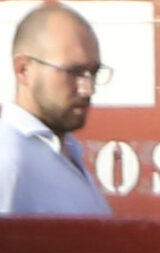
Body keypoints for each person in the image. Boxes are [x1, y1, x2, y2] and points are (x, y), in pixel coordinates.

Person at [2, 2, 110, 215]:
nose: (87, 89)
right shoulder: (8, 160)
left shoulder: (67, 149)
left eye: (93, 72)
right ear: (23, 69)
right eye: (73, 71)